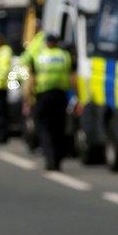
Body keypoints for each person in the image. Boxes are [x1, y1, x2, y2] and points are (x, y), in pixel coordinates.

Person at [27, 33, 73, 170]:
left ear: (46, 43)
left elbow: (32, 80)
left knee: (45, 128)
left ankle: (50, 159)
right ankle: (58, 161)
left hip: (43, 96)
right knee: (59, 128)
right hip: (60, 96)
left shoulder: (39, 56)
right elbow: (72, 78)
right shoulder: (64, 56)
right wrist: (77, 96)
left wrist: (28, 98)